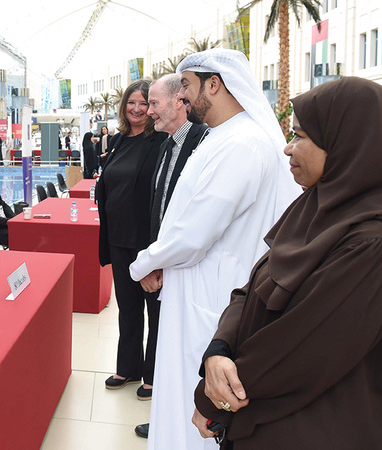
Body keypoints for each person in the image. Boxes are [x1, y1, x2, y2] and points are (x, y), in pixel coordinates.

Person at [193, 77, 382, 449]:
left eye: (300, 136)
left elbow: (300, 351)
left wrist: (214, 399)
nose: (288, 148)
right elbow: (252, 288)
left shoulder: (373, 245)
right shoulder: (314, 209)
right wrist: (218, 351)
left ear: (346, 144)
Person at [128, 49, 300, 450]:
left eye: (187, 86)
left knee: (195, 413)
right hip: (196, 290)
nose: (182, 96)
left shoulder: (244, 143)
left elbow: (195, 232)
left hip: (212, 299)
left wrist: (145, 263)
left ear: (214, 84)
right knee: (178, 401)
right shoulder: (224, 137)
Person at [132, 74, 210, 434]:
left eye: (154, 103)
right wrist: (153, 259)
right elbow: (158, 210)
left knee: (182, 350)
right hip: (163, 265)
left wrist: (160, 261)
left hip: (184, 268)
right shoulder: (167, 145)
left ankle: (180, 422)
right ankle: (167, 419)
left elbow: (192, 220)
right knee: (163, 341)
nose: (149, 112)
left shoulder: (203, 143)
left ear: (180, 102)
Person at [97, 80, 165, 392]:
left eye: (143, 103)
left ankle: (152, 375)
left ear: (152, 107)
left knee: (155, 310)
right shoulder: (118, 140)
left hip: (146, 240)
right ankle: (128, 368)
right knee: (127, 307)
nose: (136, 109)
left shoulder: (160, 141)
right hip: (118, 237)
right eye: (131, 103)